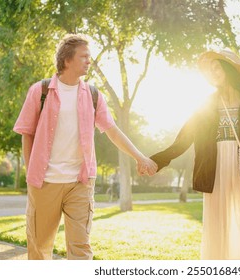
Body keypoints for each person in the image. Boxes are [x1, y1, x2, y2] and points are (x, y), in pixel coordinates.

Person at [13, 34, 157, 260]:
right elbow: (26, 133)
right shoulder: (40, 91)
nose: (89, 61)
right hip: (45, 183)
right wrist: (32, 173)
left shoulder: (93, 95)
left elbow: (112, 130)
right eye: (84, 56)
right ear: (67, 60)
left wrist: (139, 157)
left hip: (79, 184)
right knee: (39, 250)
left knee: (81, 250)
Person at [149, 50, 240, 260]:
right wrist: (157, 161)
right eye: (211, 69)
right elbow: (183, 139)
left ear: (230, 69)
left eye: (218, 67)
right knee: (218, 234)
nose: (214, 72)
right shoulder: (205, 104)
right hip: (213, 171)